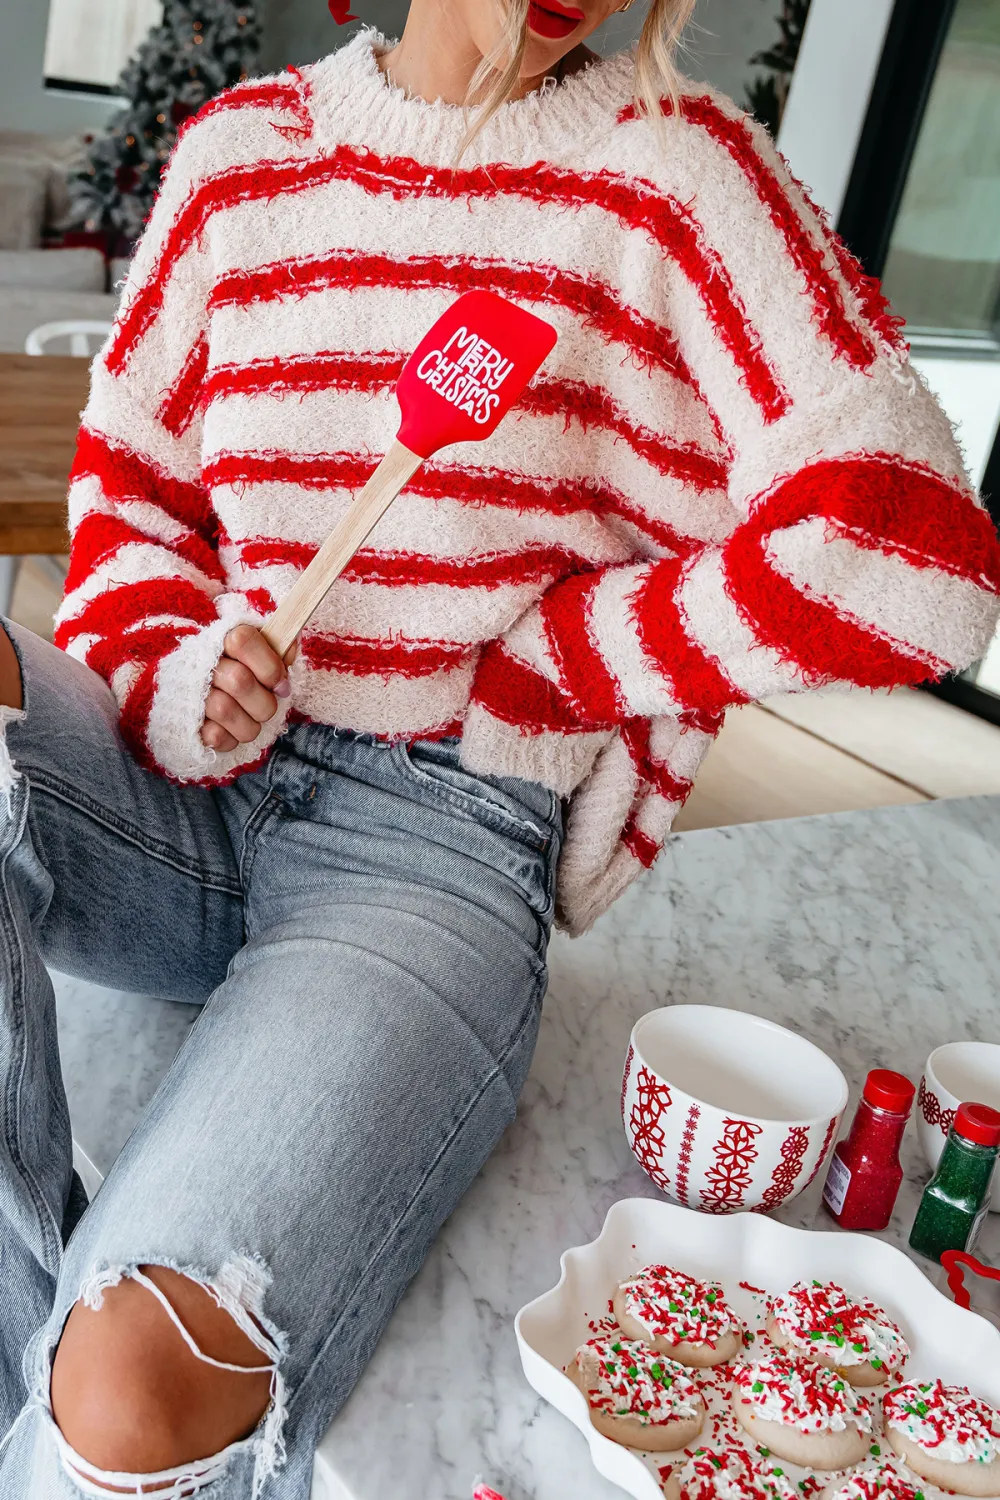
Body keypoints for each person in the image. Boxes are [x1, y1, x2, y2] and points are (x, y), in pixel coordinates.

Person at [1, 0, 998, 1493]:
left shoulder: (678, 170)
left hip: (433, 844)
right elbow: (132, 492)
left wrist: (565, 665)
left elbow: (917, 553)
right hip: (176, 801)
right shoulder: (237, 157)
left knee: (130, 1394)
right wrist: (182, 671)